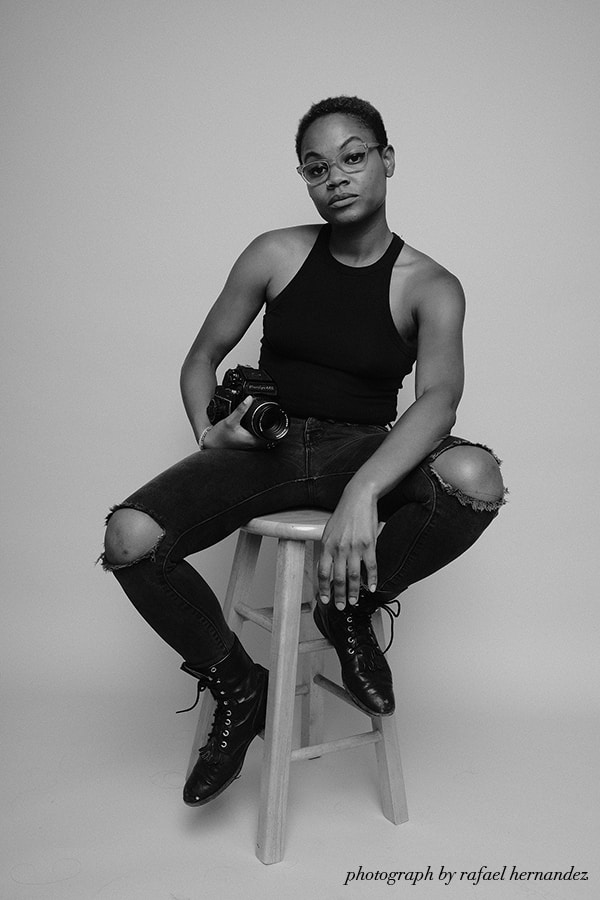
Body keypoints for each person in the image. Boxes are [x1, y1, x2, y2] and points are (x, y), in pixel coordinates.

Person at [101, 96, 506, 808]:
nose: (336, 177)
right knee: (129, 537)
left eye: (353, 157)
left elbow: (439, 399)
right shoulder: (275, 253)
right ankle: (239, 686)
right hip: (270, 445)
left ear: (387, 160)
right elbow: (200, 359)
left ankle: (347, 609)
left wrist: (364, 491)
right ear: (305, 179)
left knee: (475, 476)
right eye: (317, 168)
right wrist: (208, 431)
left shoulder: (432, 285)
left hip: (364, 450)